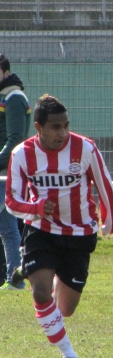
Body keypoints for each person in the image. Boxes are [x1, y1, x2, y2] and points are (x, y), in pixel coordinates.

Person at [6, 94, 113, 358]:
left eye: (66, 125)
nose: (63, 133)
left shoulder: (85, 149)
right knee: (42, 293)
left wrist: (110, 220)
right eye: (56, 127)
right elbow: (11, 201)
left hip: (79, 234)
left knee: (65, 309)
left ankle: (31, 269)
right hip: (41, 231)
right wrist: (36, 207)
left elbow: (103, 184)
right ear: (38, 127)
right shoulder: (21, 154)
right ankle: (70, 357)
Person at [0, 54, 30, 290]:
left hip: (4, 174)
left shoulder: (14, 98)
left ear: (5, 72)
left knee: (9, 229)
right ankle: (15, 281)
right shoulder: (5, 97)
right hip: (3, 172)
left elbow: (15, 140)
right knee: (8, 229)